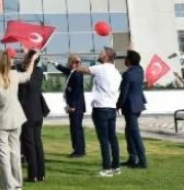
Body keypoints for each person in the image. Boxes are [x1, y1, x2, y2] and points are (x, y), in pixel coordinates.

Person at [0, 49, 37, 190]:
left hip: (1, 120)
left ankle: (9, 186)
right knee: (15, 152)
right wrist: (32, 60)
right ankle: (16, 184)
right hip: (16, 118)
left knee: (3, 156)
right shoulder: (14, 75)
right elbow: (27, 75)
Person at [75, 47, 122, 177]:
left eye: (101, 53)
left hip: (101, 108)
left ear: (106, 56)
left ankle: (107, 169)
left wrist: (77, 61)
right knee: (113, 138)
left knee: (104, 140)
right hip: (111, 108)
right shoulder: (116, 72)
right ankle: (116, 167)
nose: (99, 54)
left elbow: (80, 70)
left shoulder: (101, 68)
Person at [48, 54, 86, 158]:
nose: (68, 63)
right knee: (75, 128)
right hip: (75, 105)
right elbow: (65, 70)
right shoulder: (73, 72)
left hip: (76, 106)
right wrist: (54, 64)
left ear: (73, 63)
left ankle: (79, 150)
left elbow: (76, 91)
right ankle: (79, 149)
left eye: (69, 62)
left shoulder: (77, 74)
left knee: (76, 129)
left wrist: (72, 105)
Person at [116, 47, 147, 168]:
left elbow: (124, 92)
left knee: (134, 133)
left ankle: (142, 161)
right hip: (138, 105)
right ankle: (132, 158)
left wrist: (118, 105)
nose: (124, 60)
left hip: (130, 106)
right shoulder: (139, 70)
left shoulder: (128, 74)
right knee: (129, 132)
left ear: (129, 60)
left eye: (126, 58)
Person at [18, 50, 46, 182]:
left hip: (27, 113)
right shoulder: (39, 72)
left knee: (29, 144)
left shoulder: (24, 74)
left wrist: (31, 58)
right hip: (37, 112)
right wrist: (31, 56)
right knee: (37, 143)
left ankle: (33, 174)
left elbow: (23, 73)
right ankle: (41, 174)